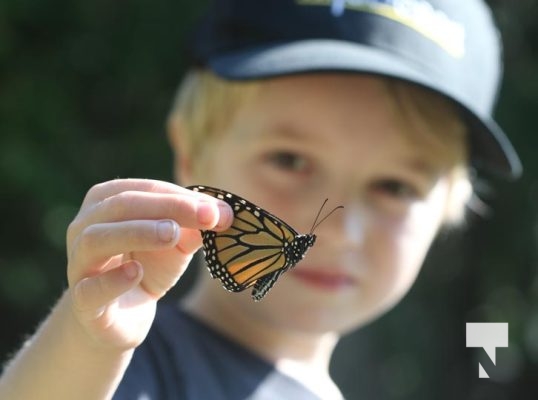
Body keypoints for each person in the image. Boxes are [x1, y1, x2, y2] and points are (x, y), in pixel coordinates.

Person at [0, 0, 522, 399]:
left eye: (394, 187)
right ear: (191, 158)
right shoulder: (134, 362)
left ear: (447, 214)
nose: (342, 231)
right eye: (290, 160)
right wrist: (87, 341)